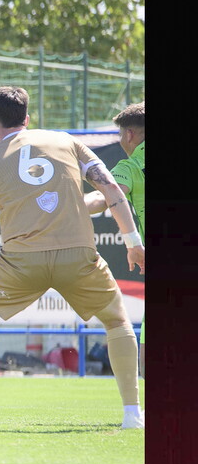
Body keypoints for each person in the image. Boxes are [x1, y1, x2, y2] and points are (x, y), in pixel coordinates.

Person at [0, 87, 145, 431]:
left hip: (19, 264)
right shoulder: (66, 141)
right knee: (117, 323)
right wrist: (132, 243)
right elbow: (112, 191)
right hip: (78, 258)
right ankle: (133, 414)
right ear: (28, 118)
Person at [84, 102, 144, 376]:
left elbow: (105, 197)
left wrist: (63, 207)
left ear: (129, 135)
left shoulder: (131, 165)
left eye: (121, 134)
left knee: (146, 363)